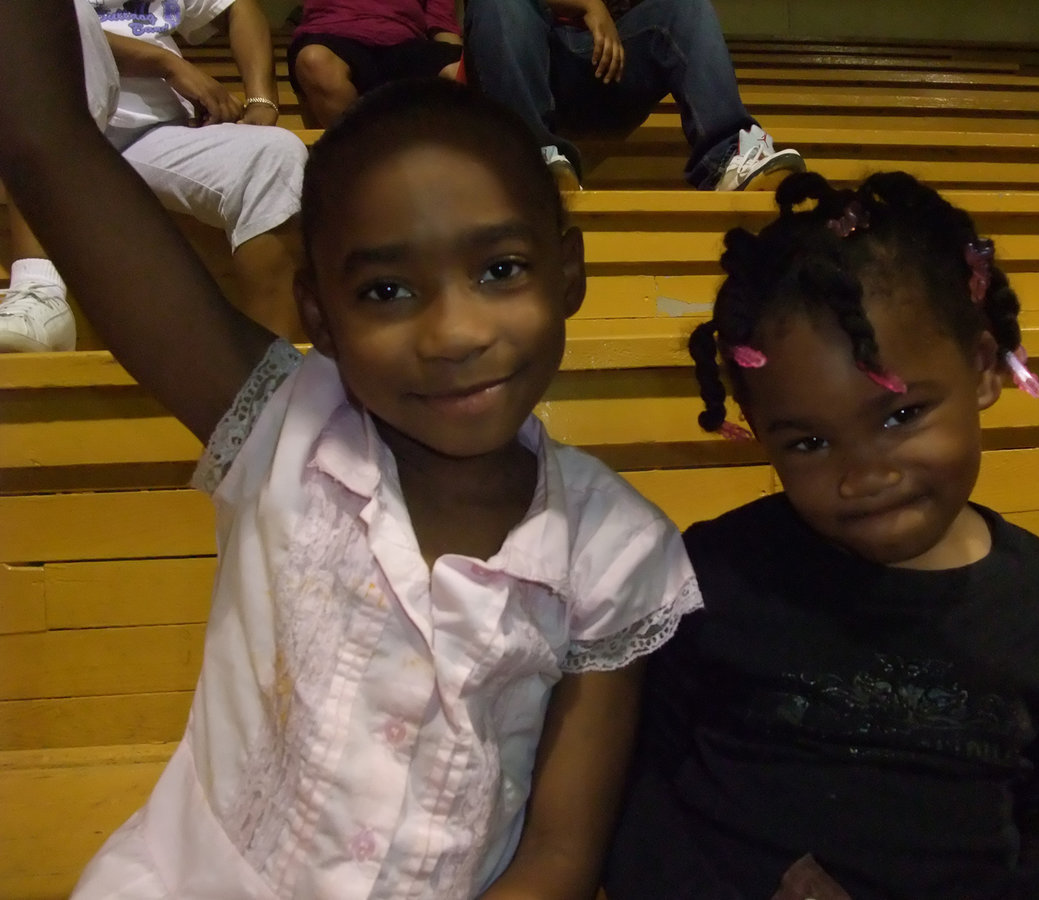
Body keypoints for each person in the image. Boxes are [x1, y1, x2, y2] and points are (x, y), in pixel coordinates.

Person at [0, 4, 700, 897]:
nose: (454, 333)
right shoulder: (277, 427)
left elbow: (560, 855)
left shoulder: (619, 550)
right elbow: (45, 142)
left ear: (568, 271)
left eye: (500, 270)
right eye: (386, 290)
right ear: (320, 316)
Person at [603, 171, 1039, 899]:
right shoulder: (710, 574)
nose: (864, 476)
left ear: (982, 368)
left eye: (901, 415)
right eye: (809, 443)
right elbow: (634, 796)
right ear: (759, 431)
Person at [0, 0, 307, 352]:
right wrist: (163, 62)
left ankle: (272, 371)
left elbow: (239, 8)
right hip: (54, 131)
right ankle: (38, 290)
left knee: (275, 154)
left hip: (154, 133)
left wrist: (262, 100)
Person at [463, 0, 806, 191]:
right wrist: (588, 5)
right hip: (522, 64)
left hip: (603, 63)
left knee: (685, 4)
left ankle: (729, 156)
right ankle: (532, 161)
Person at [288, 0, 465, 128]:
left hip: (405, 42)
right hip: (331, 33)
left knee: (460, 70)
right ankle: (362, 159)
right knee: (316, 61)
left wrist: (460, 61)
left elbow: (442, 22)